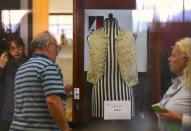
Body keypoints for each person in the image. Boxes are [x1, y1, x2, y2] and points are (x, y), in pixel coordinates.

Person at [9, 31, 70, 131]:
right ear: (48, 46)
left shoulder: (21, 69)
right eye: (57, 49)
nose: (56, 53)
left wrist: (60, 94)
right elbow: (52, 101)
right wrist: (65, 128)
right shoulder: (48, 66)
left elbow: (32, 99)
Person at [156, 37, 191, 131]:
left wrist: (179, 119)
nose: (169, 59)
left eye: (173, 56)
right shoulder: (176, 84)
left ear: (185, 60)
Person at [0, 36, 28, 131]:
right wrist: (1, 68)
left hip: (24, 113)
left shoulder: (29, 63)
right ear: (8, 50)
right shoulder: (5, 64)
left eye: (19, 47)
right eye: (13, 48)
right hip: (6, 112)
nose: (16, 51)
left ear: (23, 47)